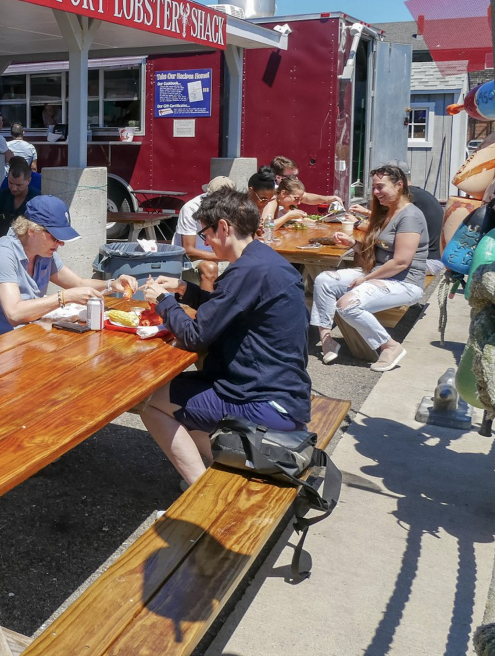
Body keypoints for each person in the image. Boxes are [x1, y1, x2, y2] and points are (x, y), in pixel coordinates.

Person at [138, 188, 312, 487]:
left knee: (152, 403)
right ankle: (222, 464)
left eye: (206, 232)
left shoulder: (246, 271)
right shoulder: (262, 260)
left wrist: (164, 300)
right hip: (286, 391)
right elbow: (228, 307)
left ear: (224, 227)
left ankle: (200, 490)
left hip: (264, 401)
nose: (204, 240)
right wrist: (184, 289)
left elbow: (195, 335)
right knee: (173, 393)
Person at [0, 195, 137, 344]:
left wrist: (112, 284)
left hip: (24, 338)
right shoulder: (3, 254)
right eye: (56, 237)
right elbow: (15, 313)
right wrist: (63, 297)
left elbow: (78, 283)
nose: (60, 244)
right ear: (32, 231)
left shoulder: (44, 253)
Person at [311, 163, 429, 373]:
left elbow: (401, 261)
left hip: (404, 282)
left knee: (347, 305)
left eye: (380, 187)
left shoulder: (410, 216)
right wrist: (353, 244)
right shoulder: (389, 212)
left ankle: (389, 346)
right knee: (324, 280)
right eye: (374, 187)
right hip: (382, 275)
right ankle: (327, 339)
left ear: (399, 185)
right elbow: (379, 254)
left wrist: (365, 279)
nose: (375, 192)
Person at [172, 175, 235, 292]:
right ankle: (208, 308)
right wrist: (227, 256)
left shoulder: (233, 207)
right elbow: (189, 251)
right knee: (209, 268)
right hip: (193, 261)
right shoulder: (191, 209)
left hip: (224, 255)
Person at [0, 157, 38, 241]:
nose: (14, 188)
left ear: (28, 181)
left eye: (19, 185)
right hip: (0, 244)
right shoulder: (1, 195)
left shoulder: (37, 198)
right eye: (10, 183)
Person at [269, 155, 334, 207]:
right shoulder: (270, 191)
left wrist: (326, 199)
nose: (296, 179)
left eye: (296, 175)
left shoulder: (288, 187)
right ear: (278, 177)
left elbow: (306, 198)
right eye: (292, 177)